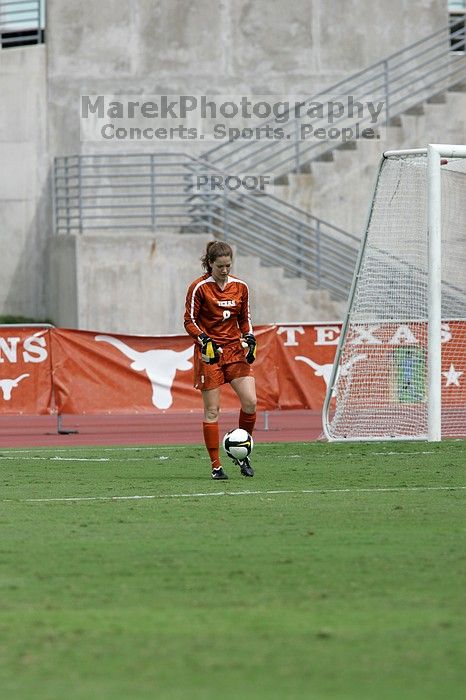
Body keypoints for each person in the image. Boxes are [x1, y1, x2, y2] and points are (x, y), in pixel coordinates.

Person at [184, 240, 257, 480]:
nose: (225, 270)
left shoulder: (241, 287)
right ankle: (216, 466)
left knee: (250, 403)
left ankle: (242, 455)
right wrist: (204, 339)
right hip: (211, 353)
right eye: (220, 266)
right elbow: (189, 321)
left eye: (228, 265)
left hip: (235, 350)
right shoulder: (199, 287)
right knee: (212, 410)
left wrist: (249, 337)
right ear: (210, 264)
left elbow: (244, 319)